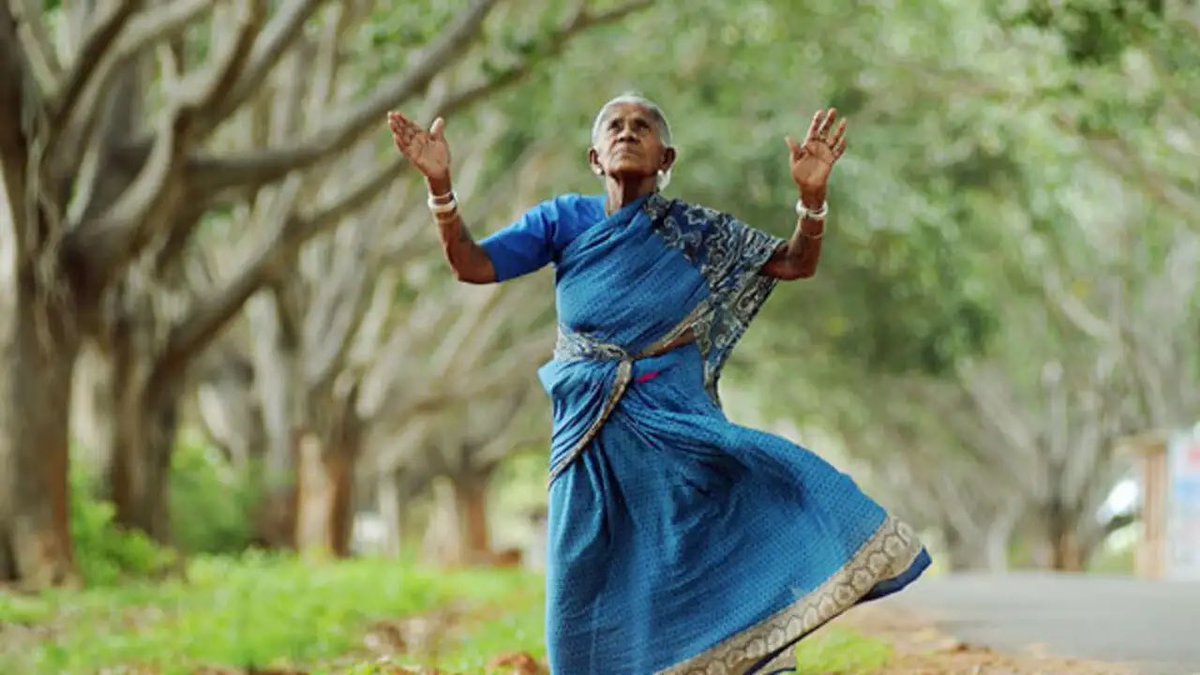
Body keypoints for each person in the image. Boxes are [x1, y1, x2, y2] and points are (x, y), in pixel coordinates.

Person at [386, 94, 930, 675]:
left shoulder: (693, 231)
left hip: (675, 419)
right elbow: (472, 264)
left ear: (665, 157)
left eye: (641, 126)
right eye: (614, 127)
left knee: (726, 522)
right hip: (586, 432)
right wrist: (441, 186)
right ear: (594, 158)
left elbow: (794, 263)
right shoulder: (563, 220)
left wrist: (812, 198)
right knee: (581, 586)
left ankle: (746, 657)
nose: (627, 132)